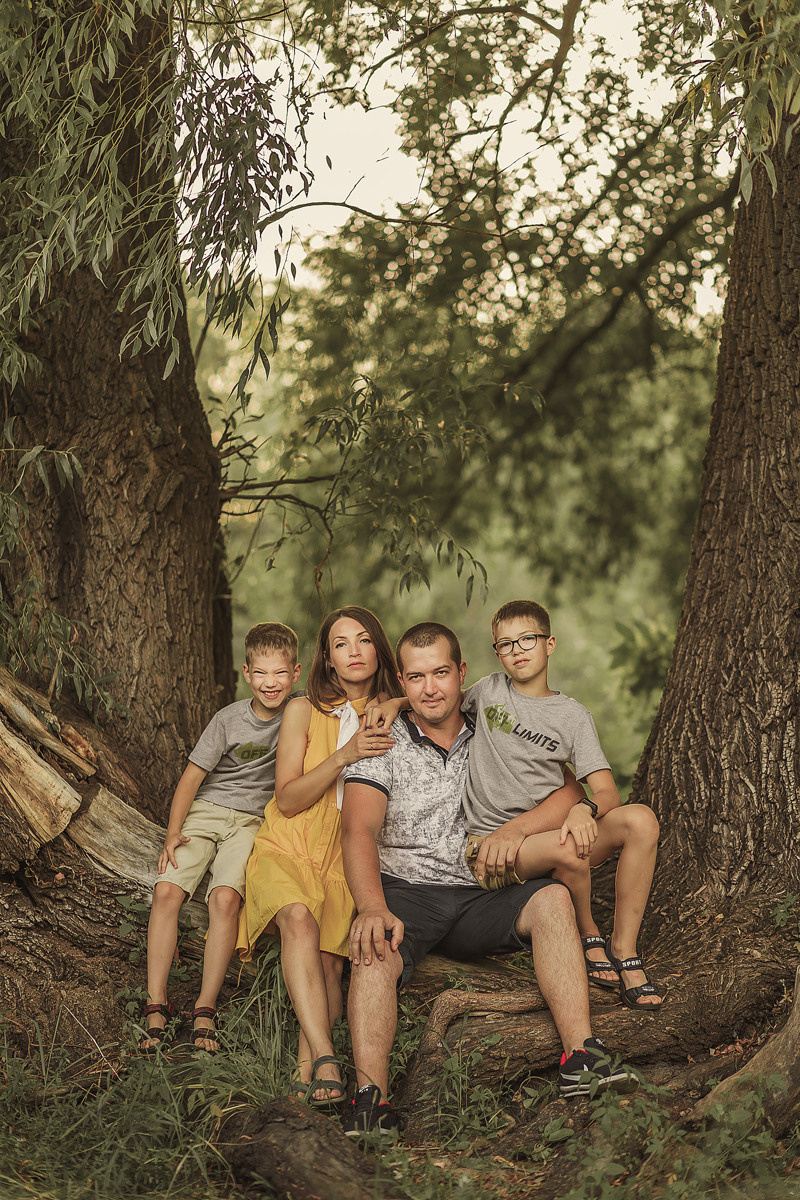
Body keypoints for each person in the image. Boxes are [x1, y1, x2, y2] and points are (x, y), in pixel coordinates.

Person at [340, 622, 636, 1138]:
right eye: (415, 677)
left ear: (462, 674)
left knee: (551, 899)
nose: (430, 688)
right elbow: (357, 829)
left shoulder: (493, 728)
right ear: (402, 684)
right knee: (372, 944)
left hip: (483, 889)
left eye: (440, 673)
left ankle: (582, 1057)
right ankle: (371, 1100)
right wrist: (370, 904)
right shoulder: (381, 740)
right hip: (408, 891)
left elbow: (567, 791)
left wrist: (530, 826)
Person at [461, 600, 663, 1012]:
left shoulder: (573, 716)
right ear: (496, 653)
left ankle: (624, 947)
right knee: (568, 848)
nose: (517, 649)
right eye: (505, 644)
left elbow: (607, 794)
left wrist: (581, 809)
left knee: (640, 820)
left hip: (552, 835)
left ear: (549, 643)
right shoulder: (487, 692)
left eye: (528, 639)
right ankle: (587, 931)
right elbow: (436, 700)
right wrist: (393, 704)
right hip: (494, 847)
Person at [237, 606, 401, 1106]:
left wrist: (396, 704)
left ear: (378, 648)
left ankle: (304, 1073)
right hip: (290, 840)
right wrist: (347, 753)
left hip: (341, 850)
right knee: (298, 919)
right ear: (327, 660)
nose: (353, 651)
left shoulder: (402, 707)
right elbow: (286, 797)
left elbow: (459, 692)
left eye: (363, 640)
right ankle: (327, 1057)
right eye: (340, 644)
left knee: (332, 966)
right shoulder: (303, 709)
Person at [140, 621, 301, 1053]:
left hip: (252, 822)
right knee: (169, 891)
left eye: (280, 673)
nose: (271, 683)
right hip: (207, 813)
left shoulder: (302, 713)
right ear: (247, 674)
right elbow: (193, 778)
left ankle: (204, 1008)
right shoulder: (228, 719)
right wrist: (174, 832)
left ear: (296, 674)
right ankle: (155, 1002)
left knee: (226, 899)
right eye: (261, 673)